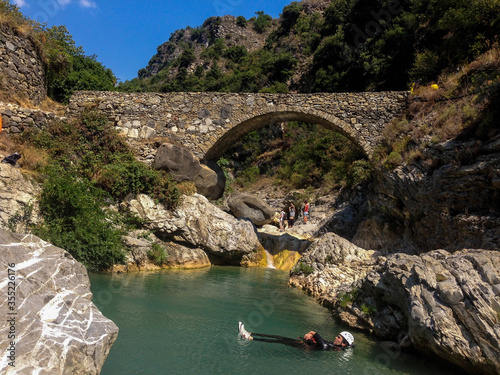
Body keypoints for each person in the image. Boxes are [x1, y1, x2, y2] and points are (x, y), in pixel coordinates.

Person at [238, 322, 354, 350]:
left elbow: (322, 345)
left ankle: (248, 337)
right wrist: (309, 336)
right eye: (337, 336)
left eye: (338, 338)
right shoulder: (332, 344)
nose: (335, 337)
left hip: (304, 348)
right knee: (279, 337)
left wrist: (313, 332)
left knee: (279, 341)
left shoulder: (333, 348)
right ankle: (250, 332)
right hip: (304, 343)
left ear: (344, 344)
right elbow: (321, 341)